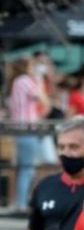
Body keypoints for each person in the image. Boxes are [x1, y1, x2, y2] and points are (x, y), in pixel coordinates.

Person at [7, 57, 49, 211]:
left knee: (23, 167)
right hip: (27, 129)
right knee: (27, 168)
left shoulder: (15, 82)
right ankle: (22, 203)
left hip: (20, 129)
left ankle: (20, 202)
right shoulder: (25, 80)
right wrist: (39, 81)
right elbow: (42, 100)